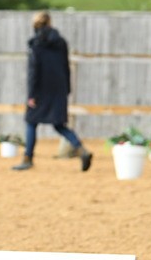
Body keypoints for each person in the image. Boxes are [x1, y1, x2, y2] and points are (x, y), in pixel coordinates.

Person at [12, 12, 93, 172]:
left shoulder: (35, 43)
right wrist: (67, 89)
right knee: (59, 124)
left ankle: (28, 158)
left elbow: (33, 71)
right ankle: (82, 150)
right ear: (50, 23)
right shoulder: (61, 42)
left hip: (41, 90)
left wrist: (32, 95)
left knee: (31, 122)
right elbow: (65, 66)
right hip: (59, 89)